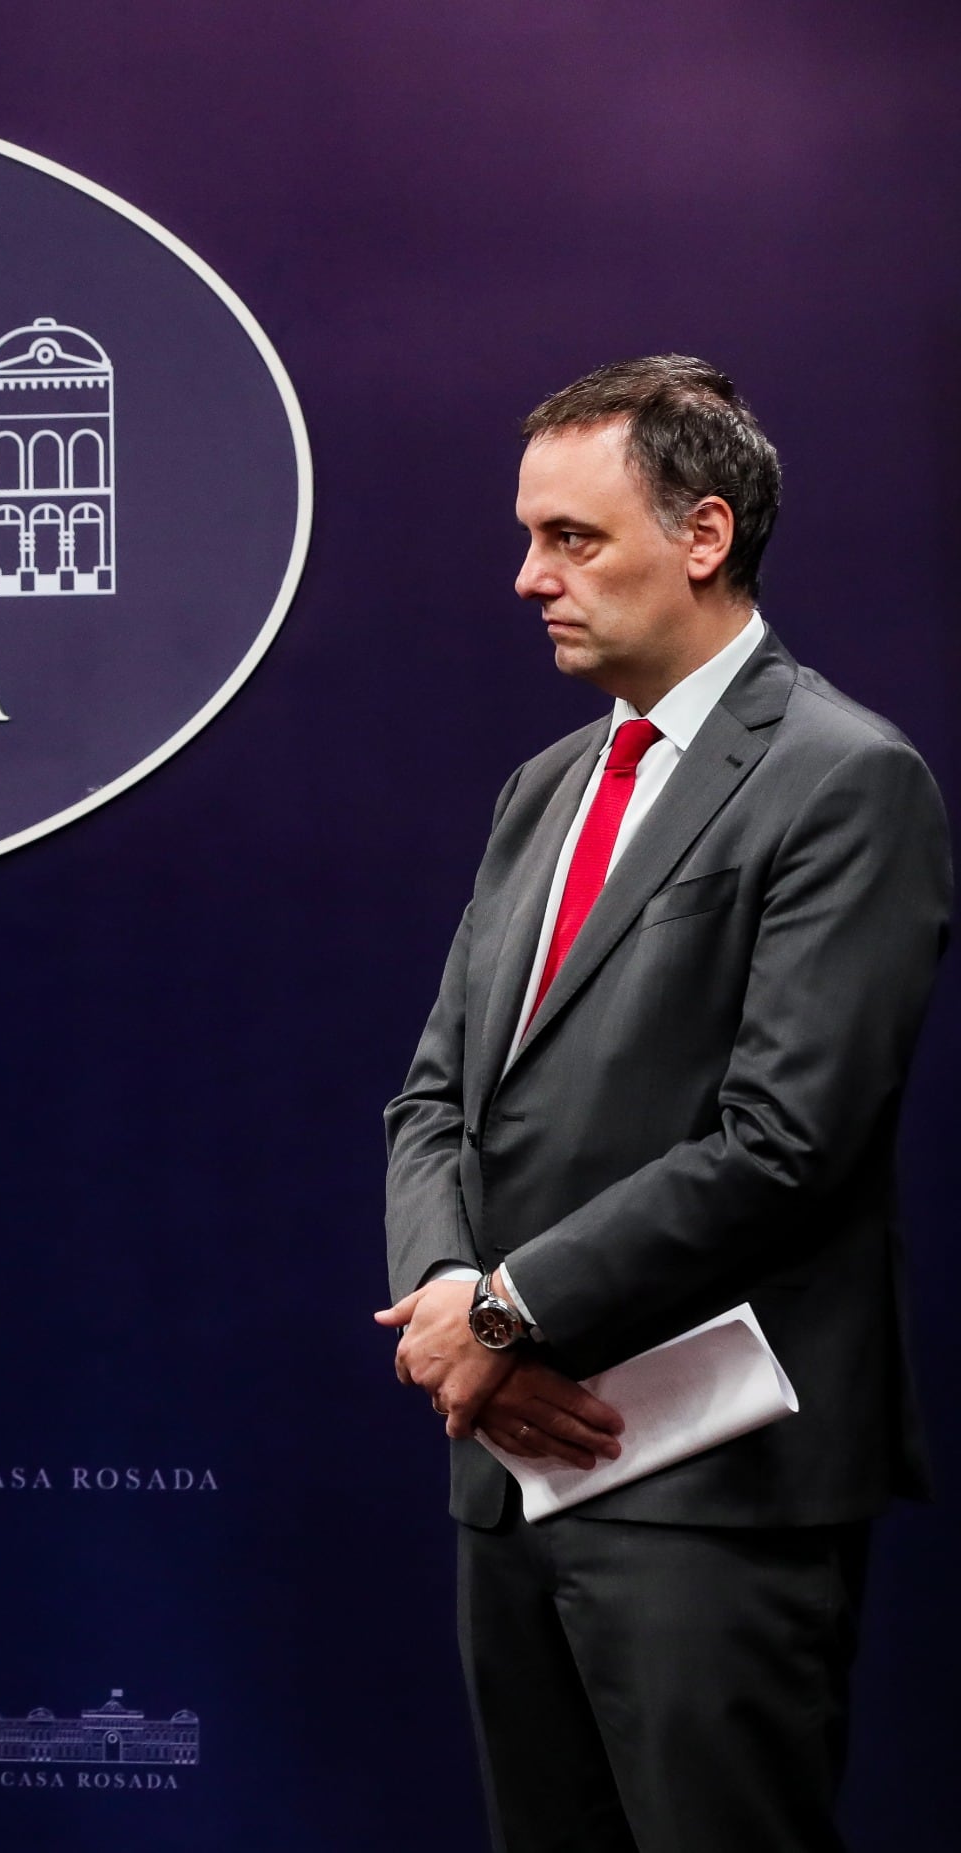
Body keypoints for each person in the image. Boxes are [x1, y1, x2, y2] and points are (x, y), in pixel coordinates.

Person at [377, 356, 948, 1852]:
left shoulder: (846, 778)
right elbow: (439, 1096)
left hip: (714, 1493)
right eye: (528, 536)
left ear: (704, 535)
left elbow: (787, 1143)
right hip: (510, 1469)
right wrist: (454, 1306)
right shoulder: (543, 789)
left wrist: (505, 1312)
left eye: (573, 539)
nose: (529, 578)